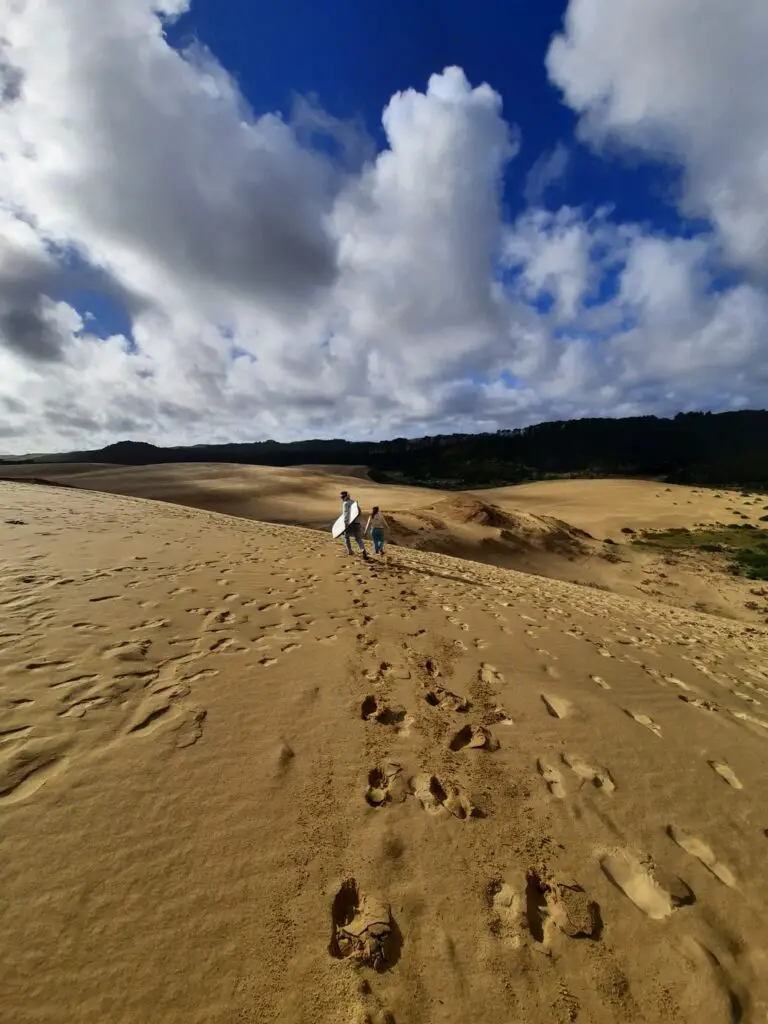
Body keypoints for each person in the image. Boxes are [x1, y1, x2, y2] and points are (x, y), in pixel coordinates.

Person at [339, 490, 368, 558]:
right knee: (358, 538)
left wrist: (345, 523)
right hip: (357, 523)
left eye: (343, 497)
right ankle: (363, 549)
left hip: (349, 523)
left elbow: (346, 514)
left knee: (346, 537)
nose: (342, 498)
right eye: (341, 497)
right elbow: (360, 512)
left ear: (346, 496)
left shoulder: (345, 503)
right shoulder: (354, 502)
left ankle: (350, 551)